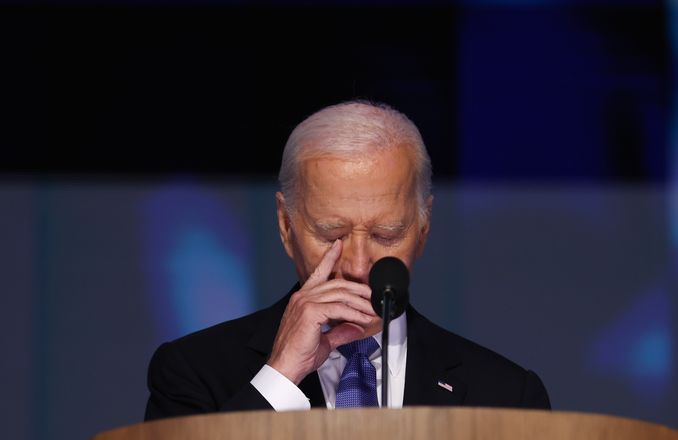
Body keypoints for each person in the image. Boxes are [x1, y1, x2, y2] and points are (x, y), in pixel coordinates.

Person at [144, 101, 550, 418]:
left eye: (385, 235)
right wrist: (281, 375)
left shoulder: (506, 394)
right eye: (331, 234)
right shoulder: (193, 372)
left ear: (423, 231)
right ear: (286, 227)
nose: (357, 265)